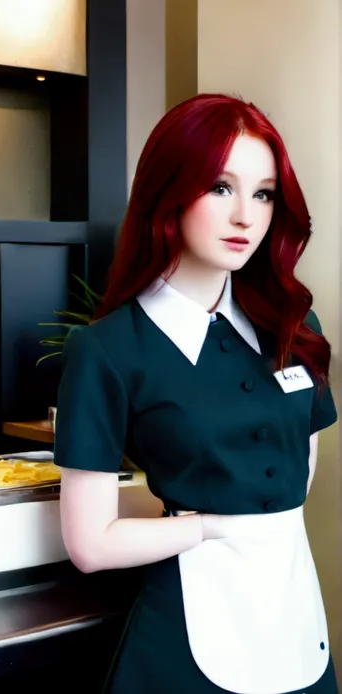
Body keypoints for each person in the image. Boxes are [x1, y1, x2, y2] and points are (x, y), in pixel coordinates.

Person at [54, 94, 339, 694]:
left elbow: (298, 472)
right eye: (220, 188)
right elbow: (90, 543)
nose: (246, 217)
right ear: (170, 191)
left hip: (295, 621)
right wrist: (211, 527)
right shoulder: (107, 349)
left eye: (262, 194)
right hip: (185, 637)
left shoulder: (292, 327)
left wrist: (255, 525)